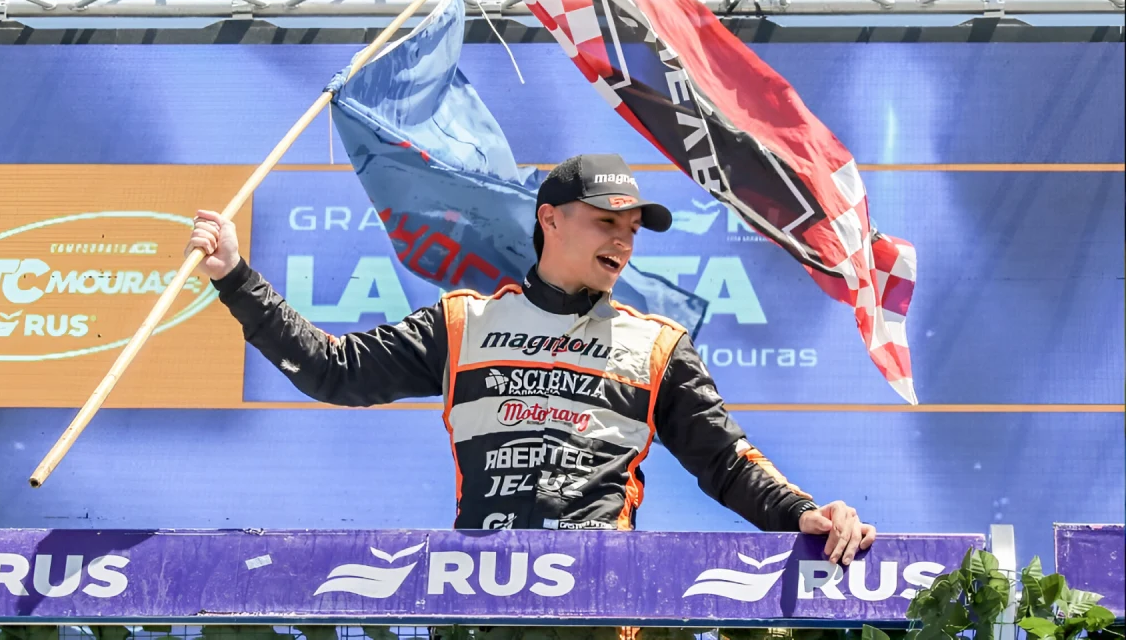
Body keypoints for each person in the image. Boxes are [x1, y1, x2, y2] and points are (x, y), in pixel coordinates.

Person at [187, 153, 876, 566]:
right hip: (482, 593)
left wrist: (802, 514)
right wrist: (235, 277)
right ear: (550, 219)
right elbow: (333, 370)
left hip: (605, 595)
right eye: (607, 221)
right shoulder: (463, 322)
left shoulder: (658, 345)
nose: (623, 242)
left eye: (632, 230)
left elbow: (727, 462)